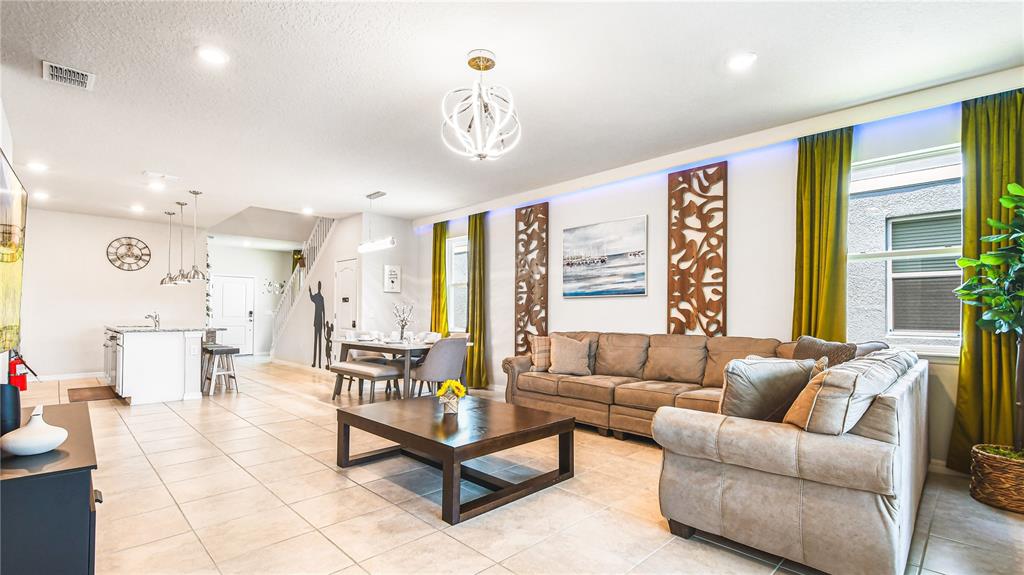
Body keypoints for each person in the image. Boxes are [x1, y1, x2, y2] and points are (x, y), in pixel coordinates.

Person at [309, 281, 325, 368]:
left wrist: (324, 324)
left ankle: (319, 364)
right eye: (318, 285)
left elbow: (324, 311)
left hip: (320, 322)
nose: (319, 286)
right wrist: (310, 291)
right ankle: (315, 362)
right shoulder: (316, 296)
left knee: (319, 343)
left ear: (321, 287)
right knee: (315, 343)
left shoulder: (321, 298)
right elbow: (311, 298)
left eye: (320, 285)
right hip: (316, 322)